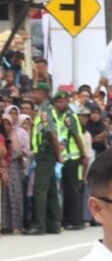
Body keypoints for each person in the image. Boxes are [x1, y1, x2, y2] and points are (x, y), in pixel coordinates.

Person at [27, 82, 61, 235]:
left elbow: (51, 134)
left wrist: (58, 154)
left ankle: (39, 225)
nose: (33, 96)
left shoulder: (45, 111)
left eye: (35, 92)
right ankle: (53, 224)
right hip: (47, 153)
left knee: (40, 189)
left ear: (42, 93)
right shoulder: (44, 109)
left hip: (46, 154)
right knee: (52, 188)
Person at [51, 91, 87, 231]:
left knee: (72, 189)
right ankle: (67, 220)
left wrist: (83, 155)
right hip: (63, 157)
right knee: (66, 189)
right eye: (58, 102)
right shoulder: (58, 117)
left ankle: (76, 221)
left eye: (64, 101)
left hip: (73, 157)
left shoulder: (69, 117)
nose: (61, 104)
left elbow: (77, 137)